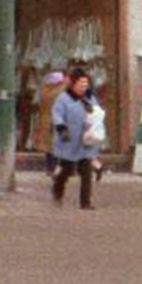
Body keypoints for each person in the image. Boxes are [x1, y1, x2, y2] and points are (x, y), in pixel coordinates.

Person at [51, 69, 98, 210]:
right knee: (66, 171)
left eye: (86, 84)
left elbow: (97, 113)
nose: (84, 87)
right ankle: (57, 192)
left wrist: (96, 123)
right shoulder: (63, 98)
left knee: (86, 172)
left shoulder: (90, 98)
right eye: (81, 84)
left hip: (86, 140)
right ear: (73, 84)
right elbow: (57, 114)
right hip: (69, 140)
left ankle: (85, 202)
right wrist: (61, 127)